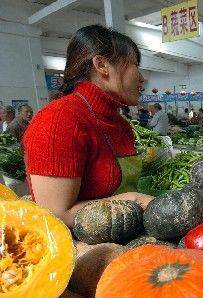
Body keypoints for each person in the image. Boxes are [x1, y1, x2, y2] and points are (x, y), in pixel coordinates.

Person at [23, 25, 153, 227]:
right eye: (135, 64)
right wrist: (132, 200)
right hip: (78, 250)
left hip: (123, 234)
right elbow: (56, 214)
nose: (142, 78)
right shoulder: (58, 119)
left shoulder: (121, 125)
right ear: (102, 65)